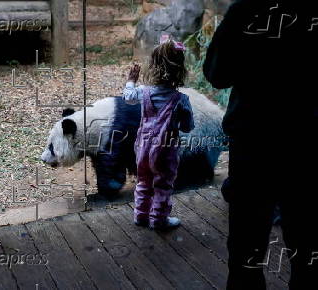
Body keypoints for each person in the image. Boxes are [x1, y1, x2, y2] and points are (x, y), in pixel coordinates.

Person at [203, 0, 318, 289]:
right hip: (307, 143)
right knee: (308, 247)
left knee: (246, 251)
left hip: (254, 143)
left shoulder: (247, 9)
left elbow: (216, 73)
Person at [122, 39, 195, 230]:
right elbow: (188, 127)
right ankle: (158, 219)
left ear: (152, 67)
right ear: (180, 69)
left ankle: (140, 215)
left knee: (144, 181)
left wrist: (131, 80)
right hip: (165, 150)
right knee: (162, 185)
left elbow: (127, 98)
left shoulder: (144, 92)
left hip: (143, 147)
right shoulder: (181, 100)